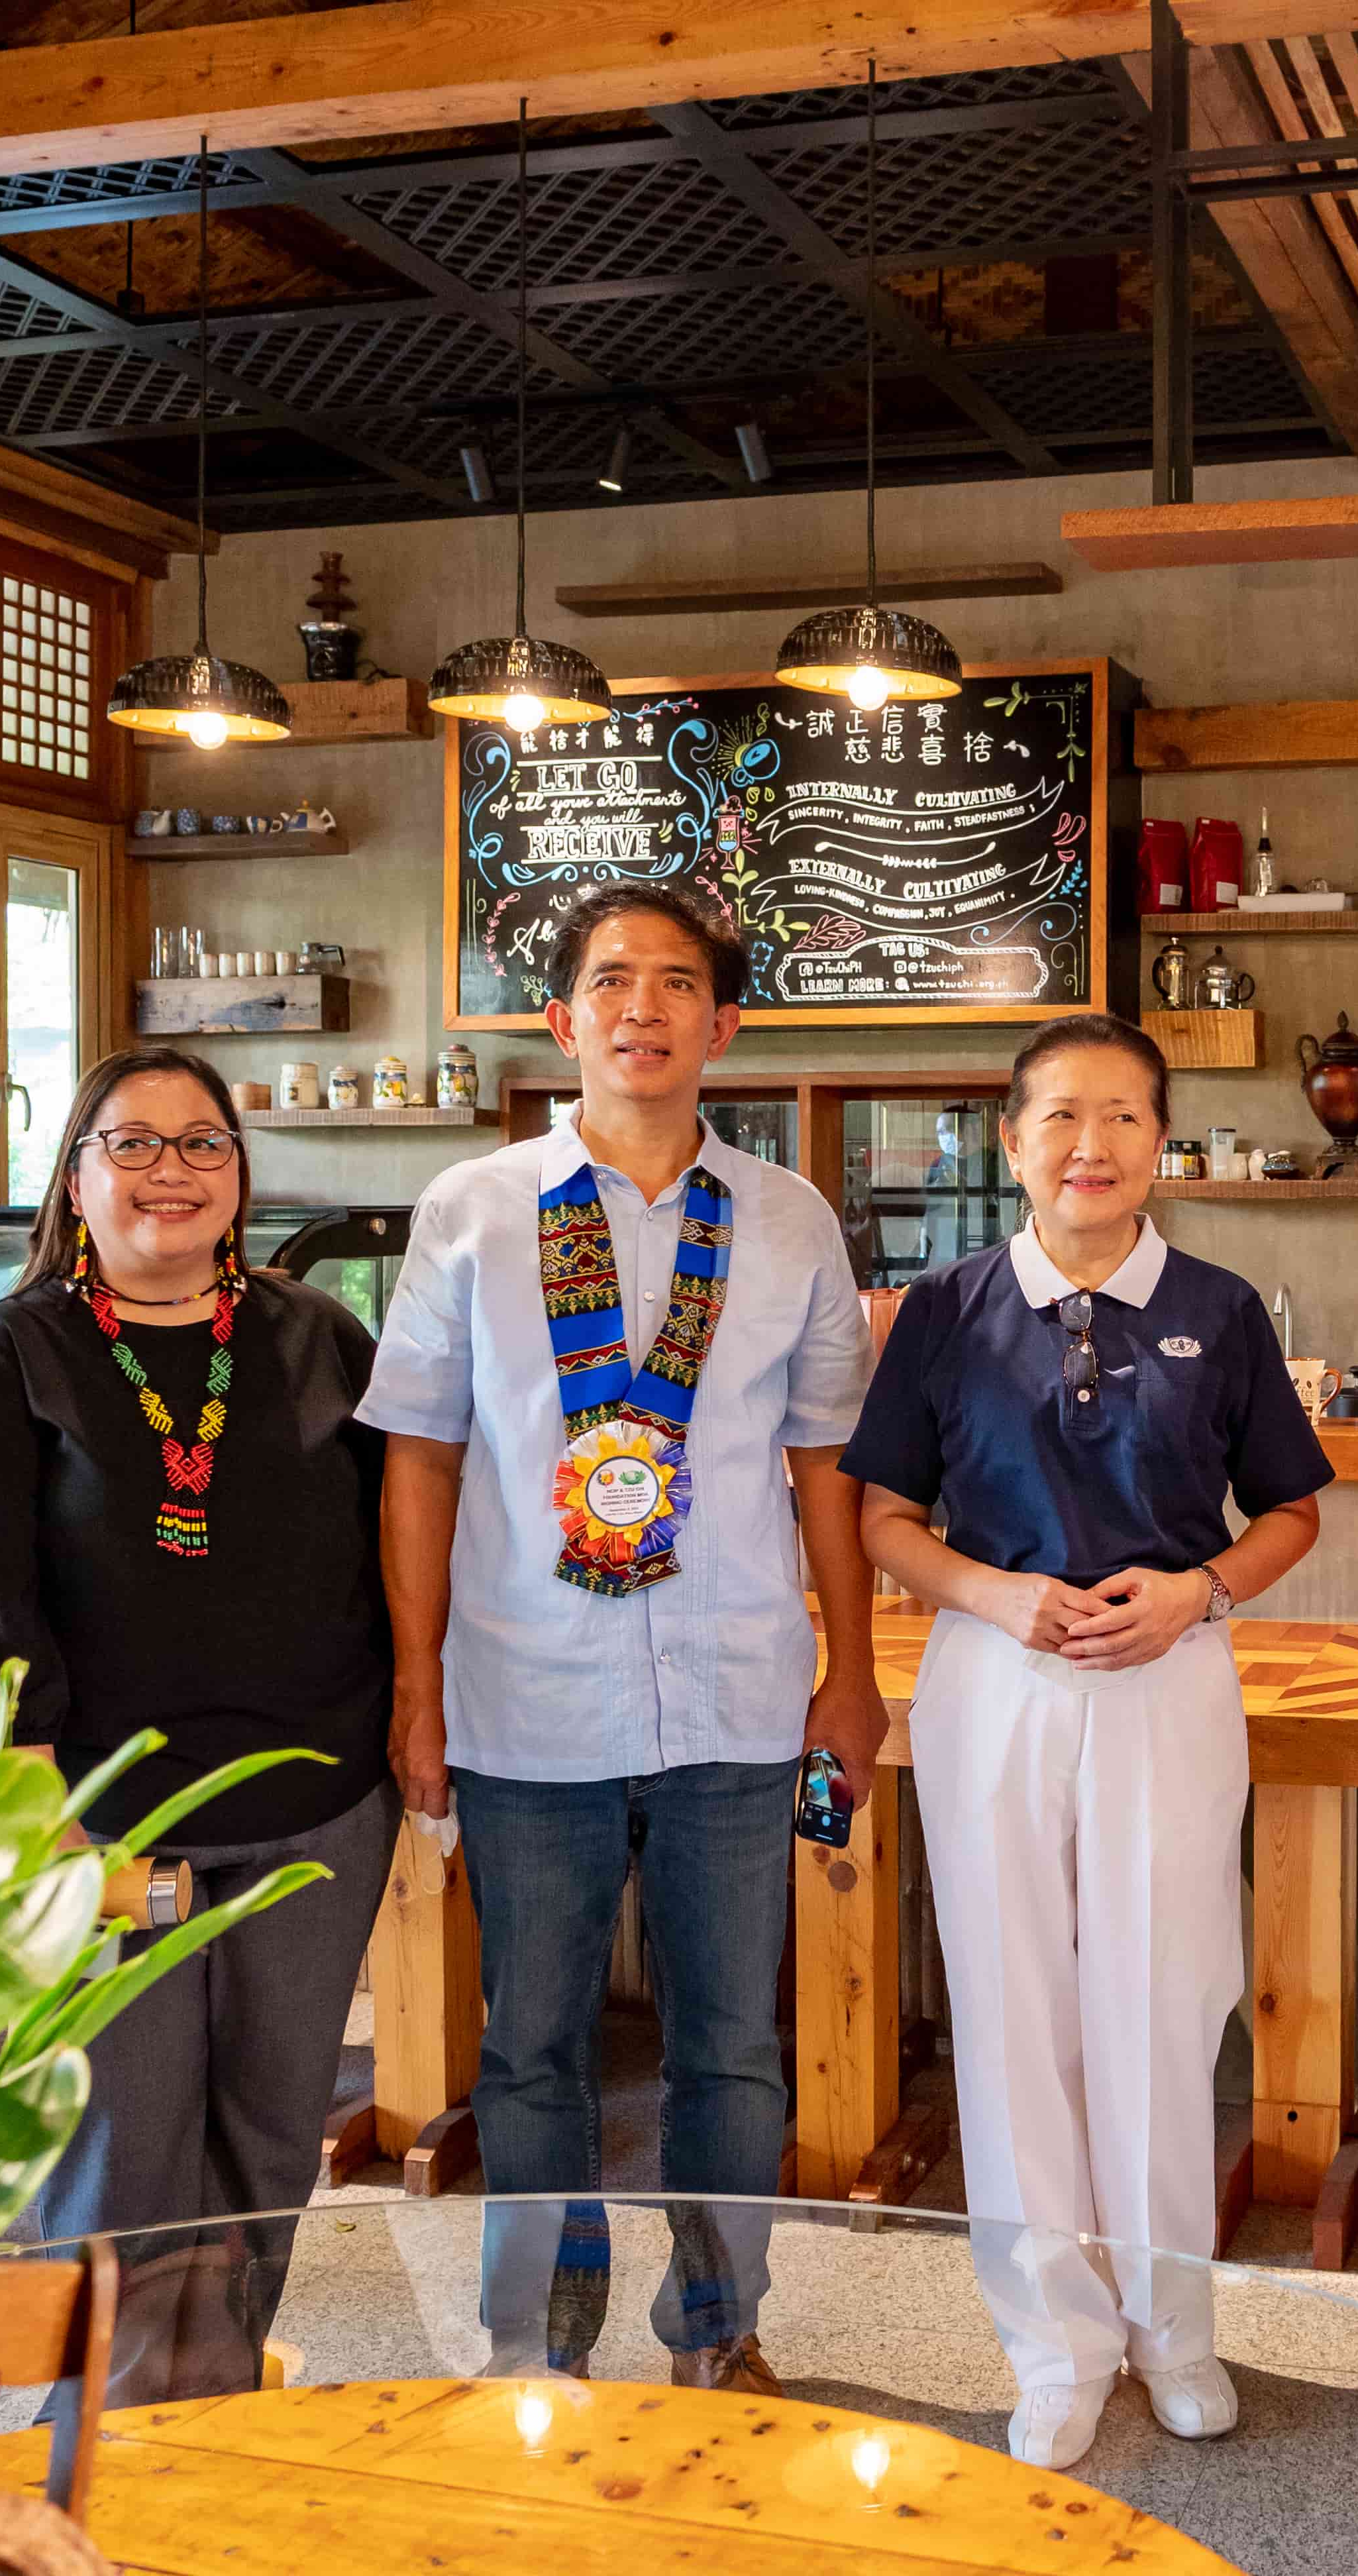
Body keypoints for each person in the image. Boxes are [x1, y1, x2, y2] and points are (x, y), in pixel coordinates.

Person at [360, 879, 884, 2390]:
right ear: (562, 1020)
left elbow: (826, 1467)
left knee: (732, 2046)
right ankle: (536, 2339)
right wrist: (419, 1692)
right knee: (532, 2048)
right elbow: (420, 1457)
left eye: (673, 983)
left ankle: (720, 2330)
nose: (640, 1007)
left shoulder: (788, 1222)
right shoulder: (472, 1211)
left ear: (724, 1023)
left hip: (736, 1699)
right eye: (610, 981)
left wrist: (850, 1673)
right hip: (526, 1694)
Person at [843, 1014, 1330, 2469]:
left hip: (1168, 1683)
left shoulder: (1225, 1311)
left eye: (1122, 1117)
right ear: (1010, 1143)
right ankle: (1053, 2343)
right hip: (992, 1683)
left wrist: (1201, 1590)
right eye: (1060, 1117)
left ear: (1161, 1143)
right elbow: (881, 1517)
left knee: (1167, 2005)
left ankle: (1175, 2329)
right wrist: (992, 1596)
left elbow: (1291, 1509)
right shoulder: (942, 1309)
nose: (1091, 1146)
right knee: (1008, 2016)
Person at [0, 1046, 397, 2395]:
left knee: (271, 2132)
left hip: (316, 1805)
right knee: (120, 2151)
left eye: (201, 1145)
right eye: (133, 1144)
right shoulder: (10, 1354)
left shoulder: (318, 1338)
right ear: (77, 1176)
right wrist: (29, 1815)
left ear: (240, 1178)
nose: (169, 1172)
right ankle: (121, 2448)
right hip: (103, 1825)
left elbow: (405, 1547)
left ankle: (222, 2416)